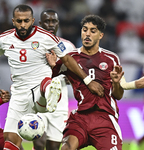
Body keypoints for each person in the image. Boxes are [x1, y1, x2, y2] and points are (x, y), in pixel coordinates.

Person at [0, 5, 104, 150]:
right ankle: (49, 93)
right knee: (9, 140)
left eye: (26, 21)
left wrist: (87, 80)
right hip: (19, 95)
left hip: (39, 87)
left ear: (32, 20)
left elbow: (67, 60)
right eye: (19, 21)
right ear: (13, 21)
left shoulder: (46, 37)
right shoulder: (5, 39)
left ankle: (50, 92)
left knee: (45, 87)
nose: (22, 24)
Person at [48, 14, 124, 150]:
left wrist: (117, 83)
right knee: (66, 148)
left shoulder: (111, 58)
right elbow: (48, 77)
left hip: (105, 118)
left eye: (92, 31)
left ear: (101, 35)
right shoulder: (70, 58)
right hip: (80, 118)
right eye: (84, 30)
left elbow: (118, 95)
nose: (87, 34)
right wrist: (51, 67)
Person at [33, 9, 76, 150]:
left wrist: (68, 75)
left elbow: (74, 75)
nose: (50, 24)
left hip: (59, 104)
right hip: (38, 101)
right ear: (40, 24)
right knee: (39, 143)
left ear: (58, 24)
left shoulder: (68, 47)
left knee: (53, 147)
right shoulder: (33, 45)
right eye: (47, 21)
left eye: (54, 21)